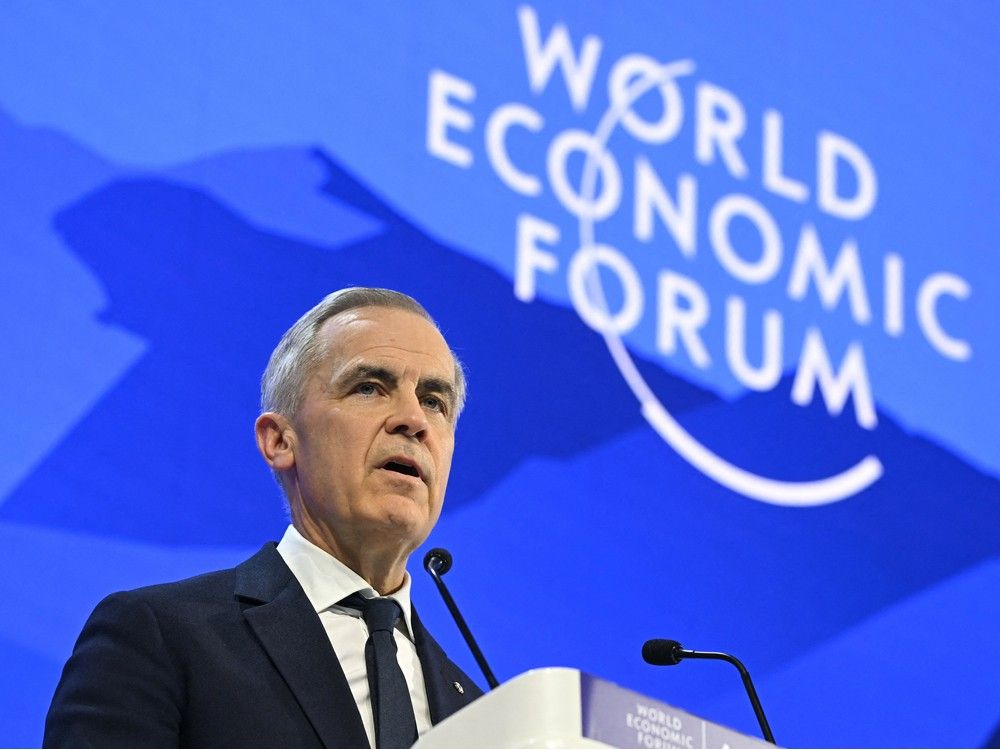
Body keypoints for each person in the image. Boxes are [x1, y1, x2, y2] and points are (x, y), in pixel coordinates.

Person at [44, 287, 484, 748]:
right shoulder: (160, 636)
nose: (414, 420)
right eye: (369, 388)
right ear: (279, 441)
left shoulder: (479, 714)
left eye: (435, 401)